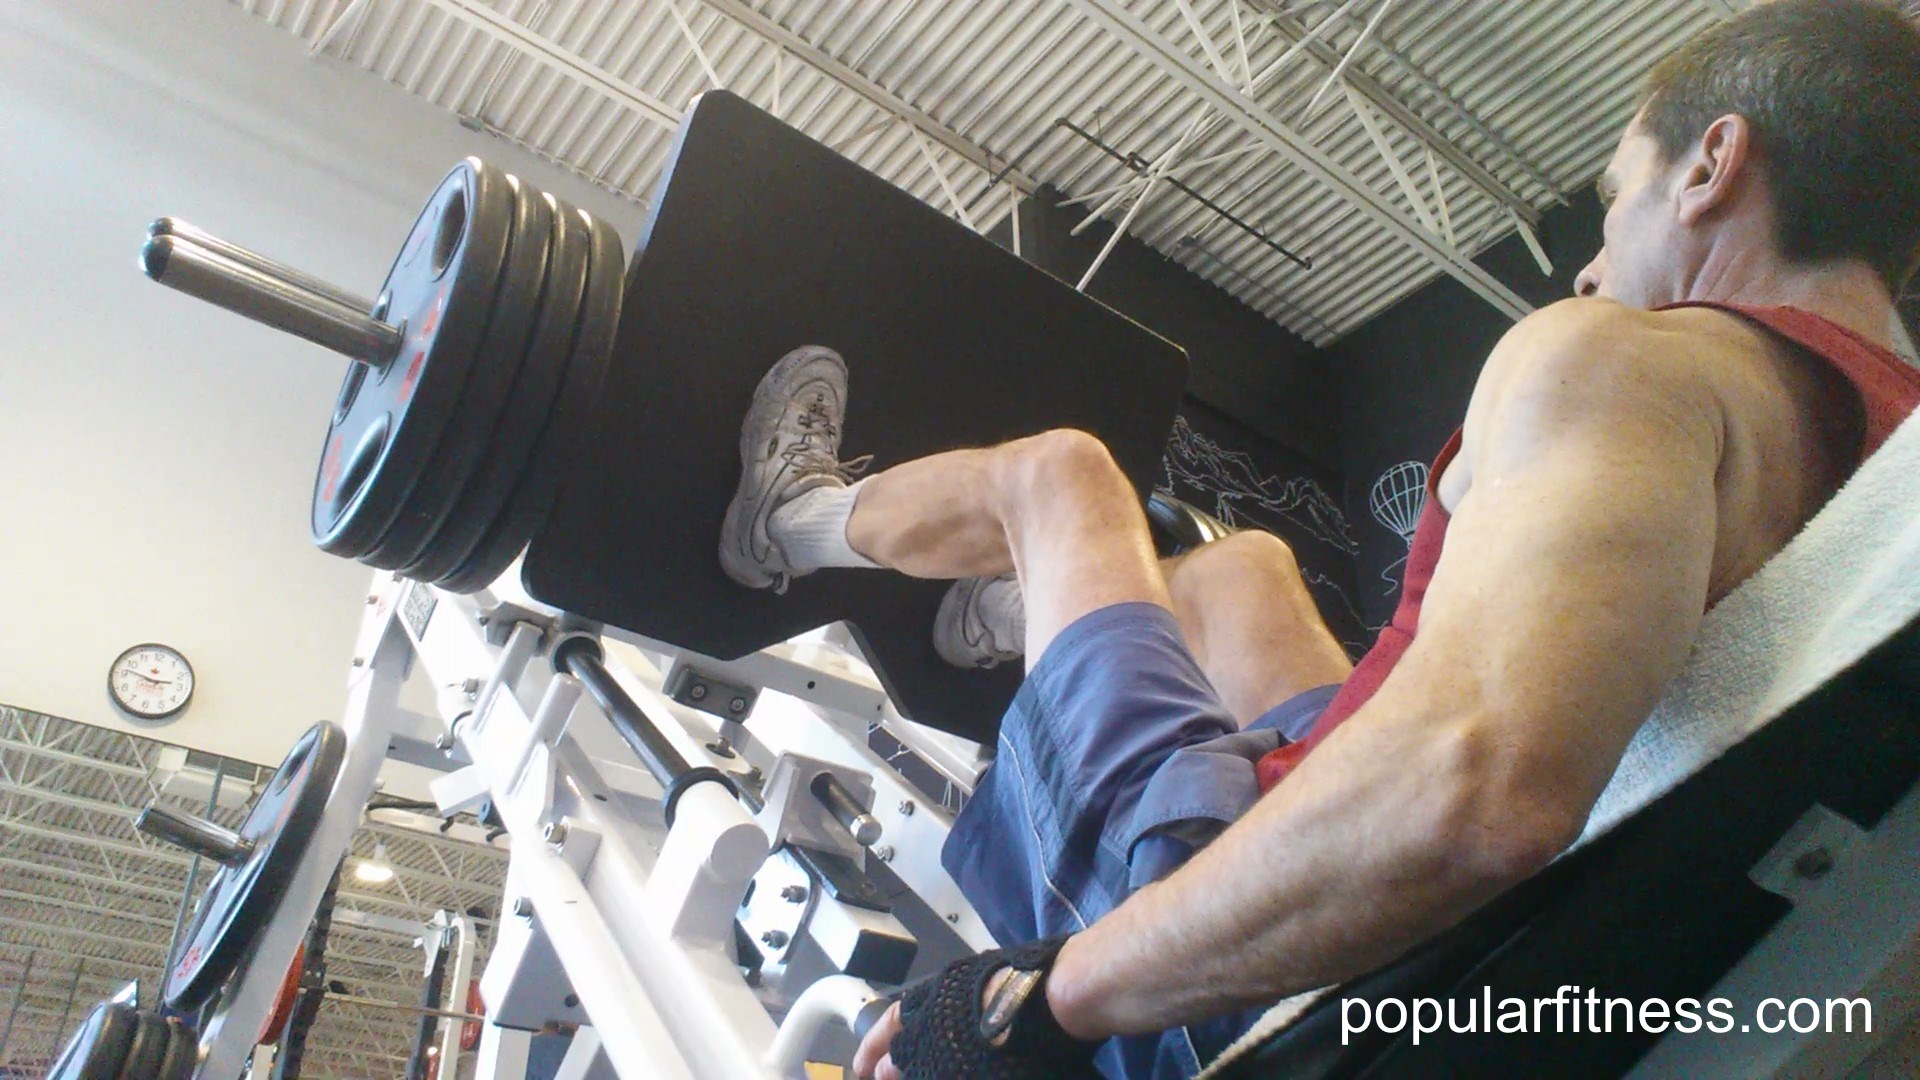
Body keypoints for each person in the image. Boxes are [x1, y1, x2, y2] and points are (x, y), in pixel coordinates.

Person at [716, 2, 1920, 1076]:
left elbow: (1473, 792)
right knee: (1246, 571)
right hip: (1409, 910)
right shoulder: (1883, 462)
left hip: (1238, 956)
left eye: (1615, 201)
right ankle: (1027, 604)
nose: (1599, 263)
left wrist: (1044, 1001)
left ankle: (788, 518)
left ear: (1712, 165)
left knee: (1066, 477)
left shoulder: (1628, 359)